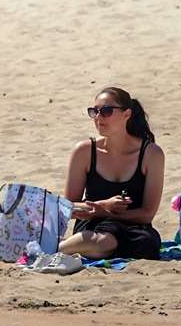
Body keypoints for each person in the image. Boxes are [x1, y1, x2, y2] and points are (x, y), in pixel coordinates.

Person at [56, 86, 166, 260]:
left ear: (126, 114)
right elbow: (68, 208)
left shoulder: (151, 154)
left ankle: (59, 249)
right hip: (92, 226)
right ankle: (56, 249)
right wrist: (103, 206)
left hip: (134, 227)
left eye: (106, 111)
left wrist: (105, 211)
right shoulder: (84, 151)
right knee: (105, 241)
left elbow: (147, 214)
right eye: (94, 111)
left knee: (143, 245)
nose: (98, 118)